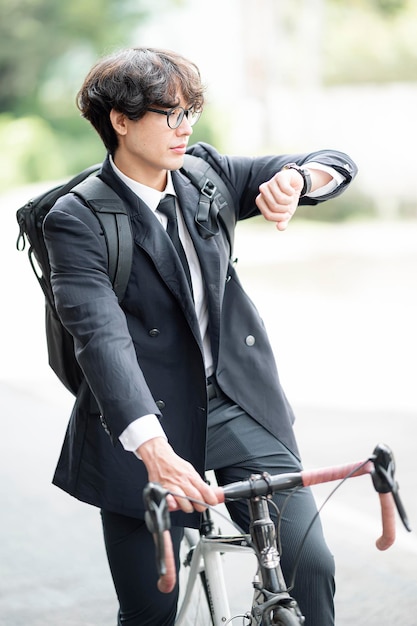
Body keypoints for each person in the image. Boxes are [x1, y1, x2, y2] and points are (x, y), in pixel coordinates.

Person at [43, 47, 357, 626]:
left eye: (191, 111)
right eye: (169, 113)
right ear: (120, 119)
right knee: (150, 609)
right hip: (142, 420)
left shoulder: (205, 174)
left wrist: (298, 178)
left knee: (310, 564)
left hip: (234, 406)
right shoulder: (76, 219)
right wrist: (153, 450)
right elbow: (100, 337)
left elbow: (334, 161)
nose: (185, 127)